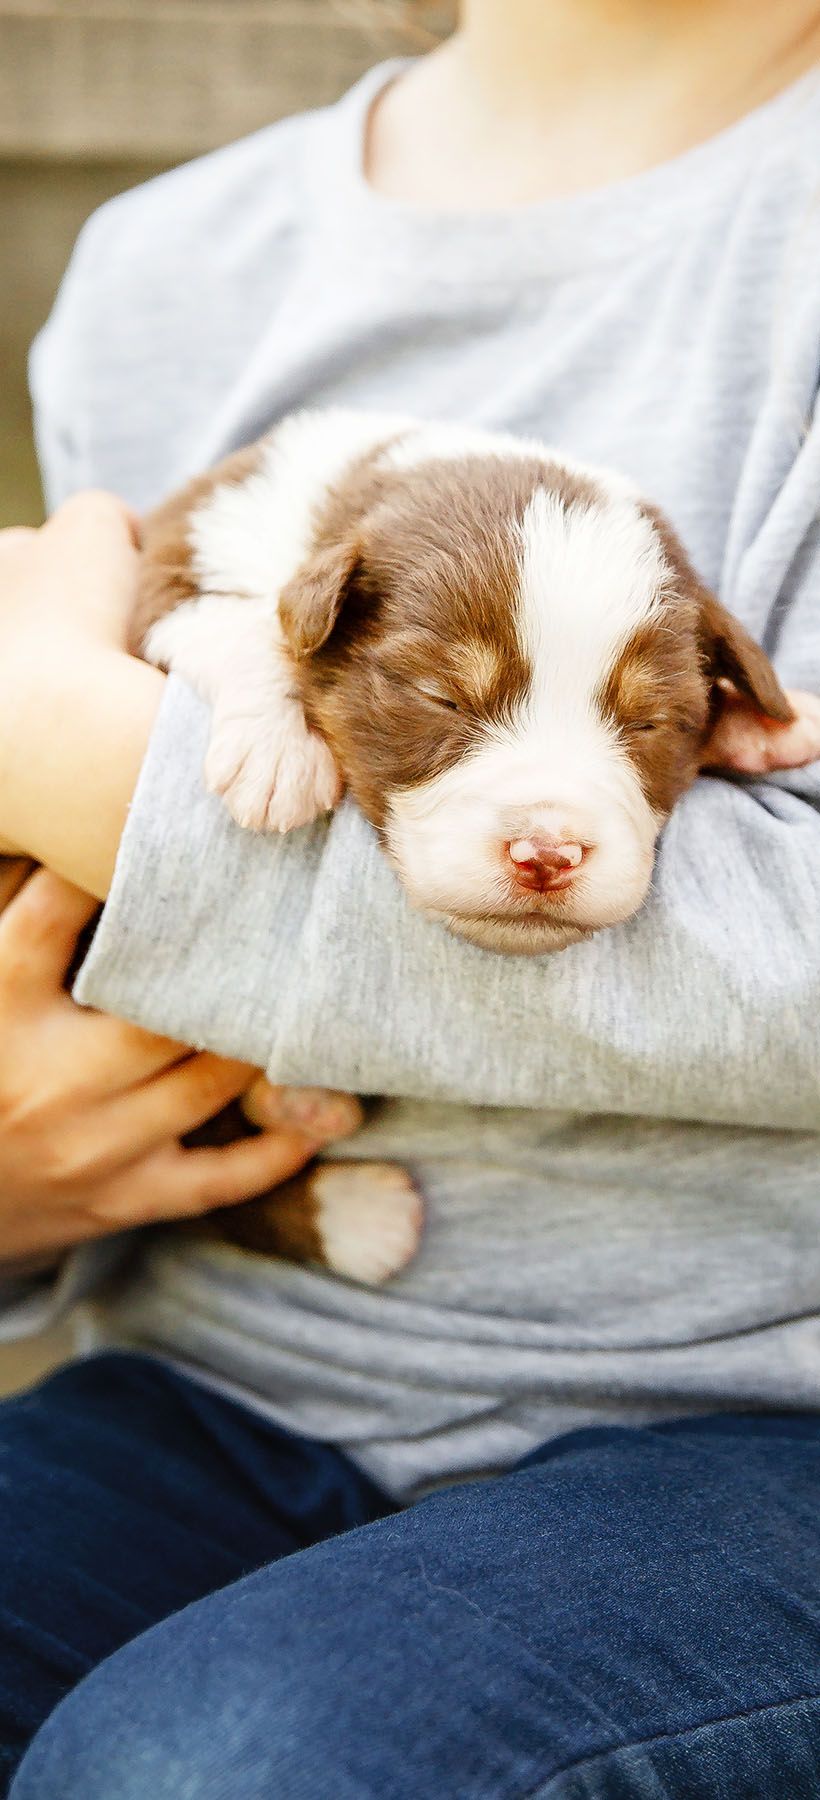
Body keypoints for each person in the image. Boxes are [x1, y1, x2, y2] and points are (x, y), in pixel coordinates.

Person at [1, 0, 820, 1791]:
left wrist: (62, 742)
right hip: (221, 1366)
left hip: (759, 1430)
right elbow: (97, 930)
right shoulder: (167, 266)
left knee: (211, 1772)